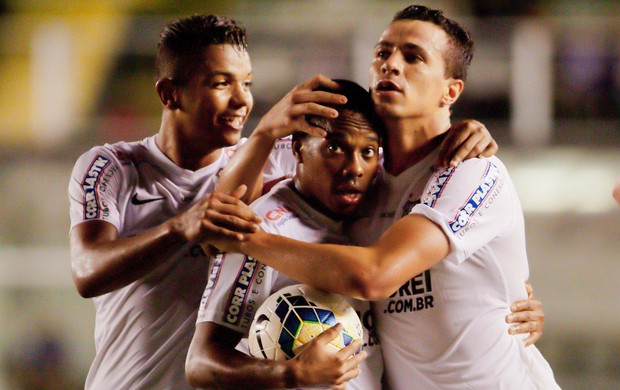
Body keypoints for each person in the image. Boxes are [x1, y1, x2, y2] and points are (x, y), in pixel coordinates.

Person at [207, 5, 558, 389]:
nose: (391, 64)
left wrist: (249, 240)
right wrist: (264, 134)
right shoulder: (359, 171)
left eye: (413, 57)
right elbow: (220, 219)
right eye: (382, 53)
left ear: (450, 91)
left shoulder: (472, 170)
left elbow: (375, 275)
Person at [67, 15, 299, 389]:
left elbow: (381, 161)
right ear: (168, 94)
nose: (242, 100)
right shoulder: (113, 166)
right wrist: (180, 228)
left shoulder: (269, 156)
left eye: (247, 83)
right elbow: (87, 270)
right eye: (221, 83)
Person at [186, 79, 382, 389]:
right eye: (334, 147)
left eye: (368, 152)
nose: (354, 167)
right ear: (298, 149)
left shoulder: (377, 203)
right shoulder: (259, 228)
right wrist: (293, 374)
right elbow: (200, 364)